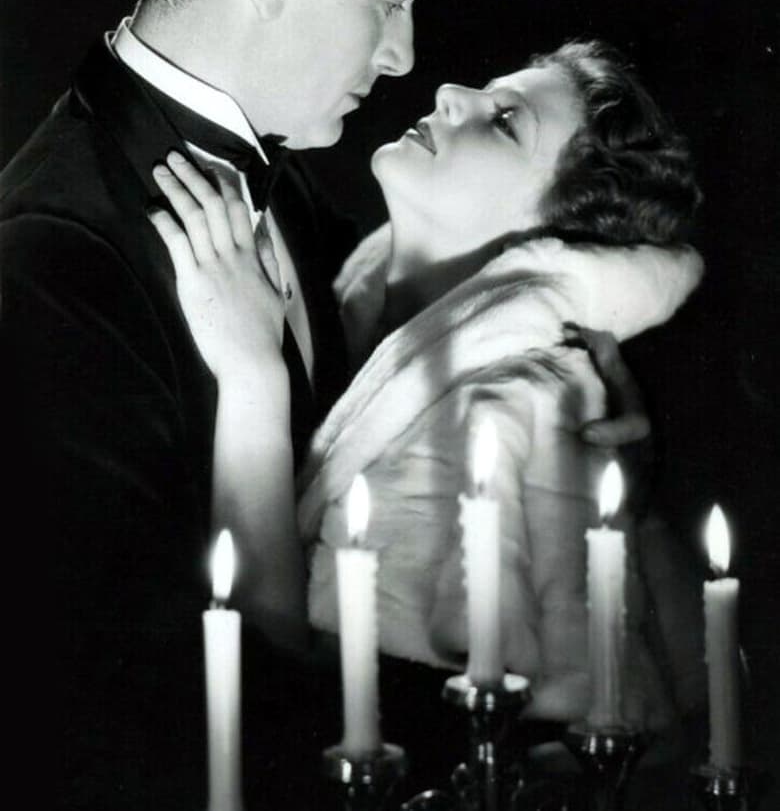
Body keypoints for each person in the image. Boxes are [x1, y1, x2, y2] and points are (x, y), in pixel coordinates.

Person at [0, 0, 436, 810]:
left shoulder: (287, 178)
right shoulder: (51, 256)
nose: (402, 55)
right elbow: (120, 698)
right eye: (390, 0)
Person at [151, 40, 706, 787]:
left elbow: (313, 698)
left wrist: (252, 377)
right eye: (487, 91)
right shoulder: (350, 304)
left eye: (505, 122)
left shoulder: (509, 410)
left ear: (547, 230)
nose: (450, 92)